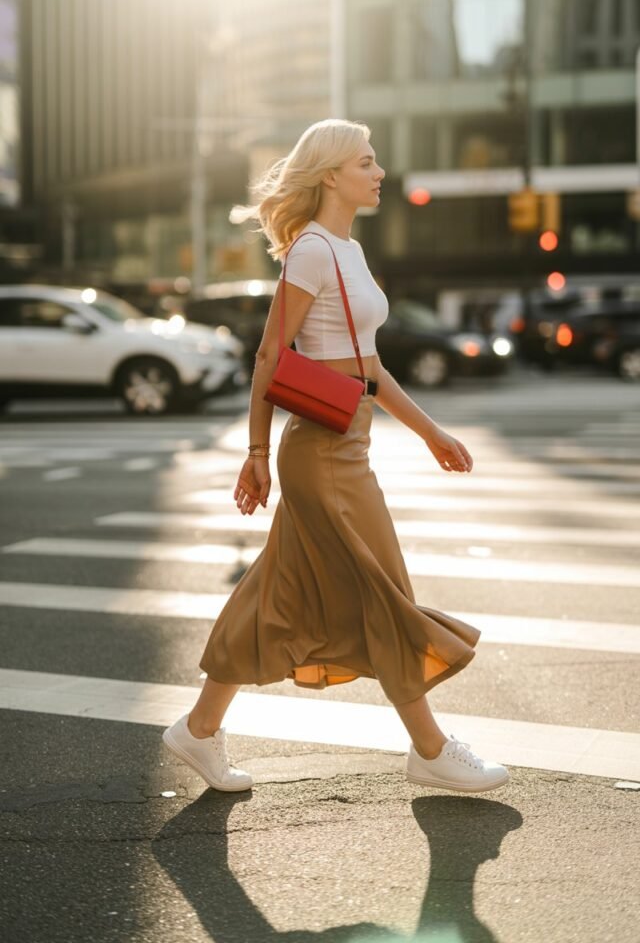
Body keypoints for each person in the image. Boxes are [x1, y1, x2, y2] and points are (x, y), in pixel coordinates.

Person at [162, 119, 509, 795]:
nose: (379, 172)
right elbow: (270, 356)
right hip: (319, 452)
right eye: (366, 162)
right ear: (330, 175)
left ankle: (199, 729)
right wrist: (257, 452)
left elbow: (368, 367)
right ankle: (431, 749)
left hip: (350, 442)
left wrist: (430, 431)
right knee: (382, 588)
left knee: (280, 592)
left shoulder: (346, 250)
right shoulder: (313, 252)